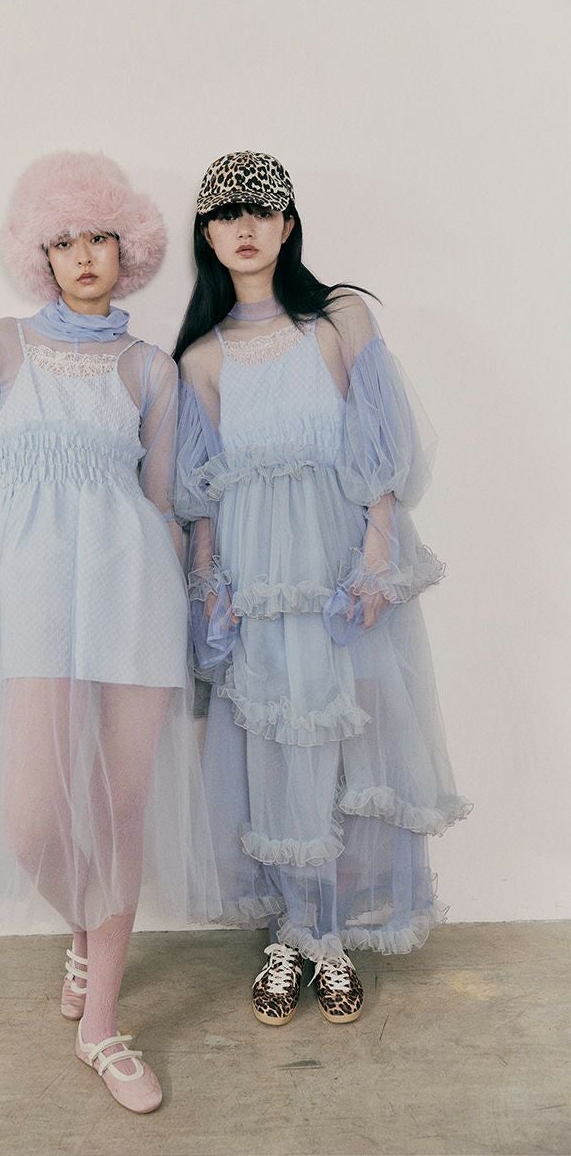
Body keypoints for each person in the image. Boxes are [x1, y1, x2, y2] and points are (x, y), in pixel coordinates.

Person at [0, 151, 218, 1112]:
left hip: (134, 597)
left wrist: (198, 608)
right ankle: (86, 937)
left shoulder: (150, 370)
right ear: (39, 254)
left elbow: (164, 504)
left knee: (120, 813)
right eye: (63, 240)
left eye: (101, 236)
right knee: (33, 820)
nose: (84, 255)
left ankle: (102, 1025)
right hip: (33, 603)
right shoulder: (2, 346)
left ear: (128, 248)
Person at [174, 150, 471, 1028]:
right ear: (206, 235)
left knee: (353, 753)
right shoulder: (202, 357)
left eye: (261, 211)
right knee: (279, 757)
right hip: (261, 586)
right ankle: (294, 933)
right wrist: (210, 589)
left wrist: (376, 562)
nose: (245, 228)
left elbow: (381, 447)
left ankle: (331, 936)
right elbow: (201, 495)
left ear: (289, 225)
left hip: (340, 574)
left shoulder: (339, 318)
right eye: (226, 215)